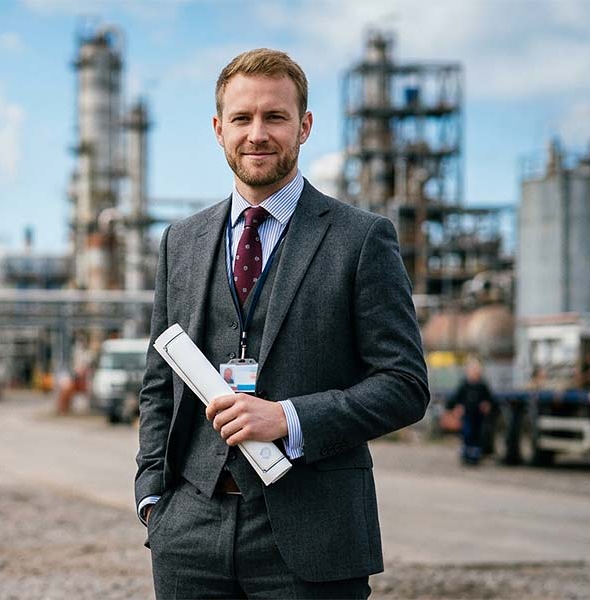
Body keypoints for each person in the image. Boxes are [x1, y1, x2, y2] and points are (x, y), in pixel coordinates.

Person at [135, 48, 429, 599]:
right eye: (242, 119)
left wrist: (288, 418)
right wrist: (153, 497)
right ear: (219, 130)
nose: (258, 134)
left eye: (275, 117)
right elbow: (158, 384)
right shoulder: (182, 242)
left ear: (305, 126)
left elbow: (405, 387)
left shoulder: (361, 239)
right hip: (189, 537)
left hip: (313, 537)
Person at [446, 358, 496, 465]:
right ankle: (466, 456)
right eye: (472, 370)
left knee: (477, 436)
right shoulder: (464, 385)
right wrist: (456, 408)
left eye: (476, 371)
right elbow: (454, 400)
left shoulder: (482, 385)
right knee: (467, 434)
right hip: (467, 415)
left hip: (478, 416)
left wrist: (487, 404)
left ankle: (475, 457)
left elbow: (490, 399)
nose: (474, 373)